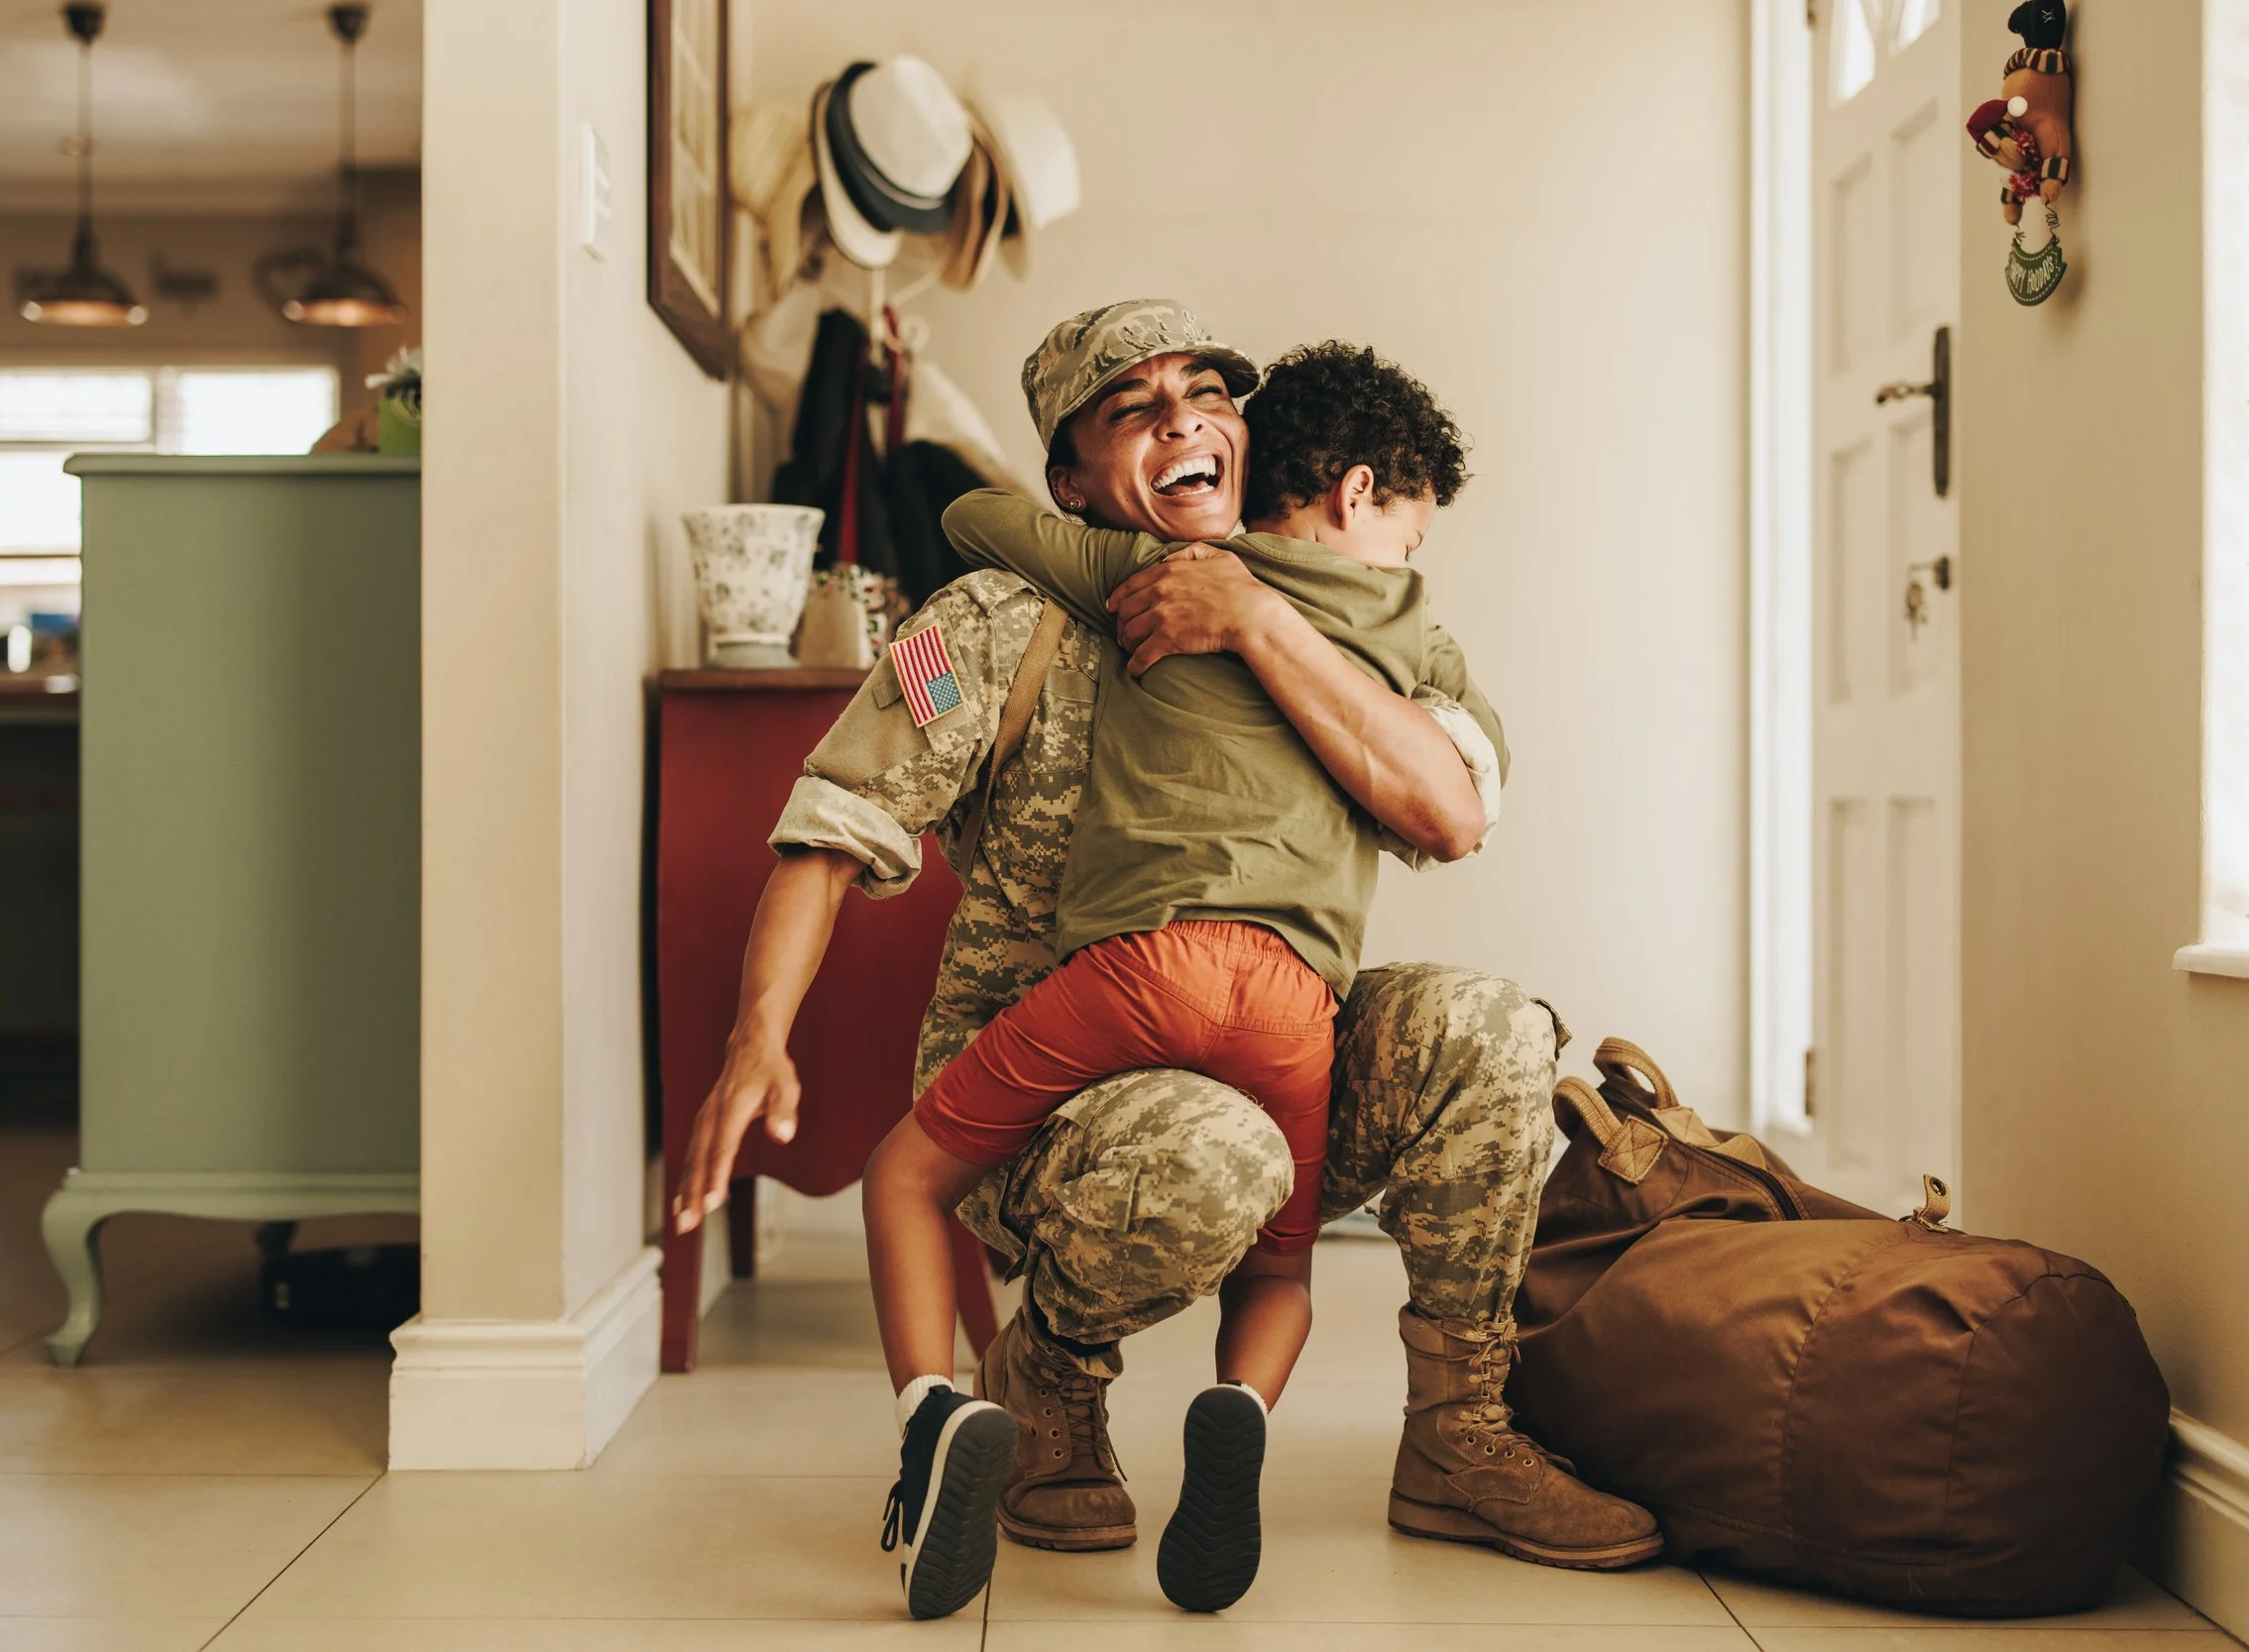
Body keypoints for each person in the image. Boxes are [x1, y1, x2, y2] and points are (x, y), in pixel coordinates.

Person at [670, 298, 1660, 1619]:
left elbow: (1452, 809)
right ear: (1073, 481)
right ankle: (1049, 1380)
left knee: (1492, 1027)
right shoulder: (992, 620)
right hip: (1053, 1086)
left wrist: (1255, 621)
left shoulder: (1333, 598)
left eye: (1206, 394)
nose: (1184, 421)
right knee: (1217, 1153)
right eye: (1133, 407)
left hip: (1277, 1028)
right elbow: (831, 828)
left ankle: (1457, 1437)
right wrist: (758, 1036)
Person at [859, 338, 1495, 1614]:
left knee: (905, 1176)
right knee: (1283, 1270)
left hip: (1146, 968)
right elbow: (1464, 787)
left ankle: (936, 1415)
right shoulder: (1404, 630)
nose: (1407, 559)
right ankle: (1236, 1404)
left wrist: (1191, 578)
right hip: (1297, 1005)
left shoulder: (1156, 576)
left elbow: (971, 517)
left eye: (1209, 403)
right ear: (1357, 494)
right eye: (1410, 533)